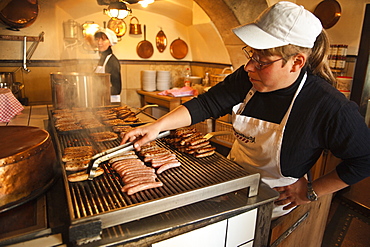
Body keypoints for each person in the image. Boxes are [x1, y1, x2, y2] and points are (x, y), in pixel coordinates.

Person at [121, 1, 370, 219]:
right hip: (232, 185)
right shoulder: (247, 78)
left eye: (261, 61)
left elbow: (364, 159)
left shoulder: (328, 106)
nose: (250, 66)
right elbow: (207, 104)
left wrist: (312, 190)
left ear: (296, 62)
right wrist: (156, 127)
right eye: (251, 55)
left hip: (273, 204)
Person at [94, 28, 122, 102]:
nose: (99, 43)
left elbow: (117, 89)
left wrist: (96, 91)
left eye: (103, 40)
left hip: (110, 102)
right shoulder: (102, 59)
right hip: (101, 100)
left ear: (110, 42)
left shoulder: (112, 61)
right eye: (97, 39)